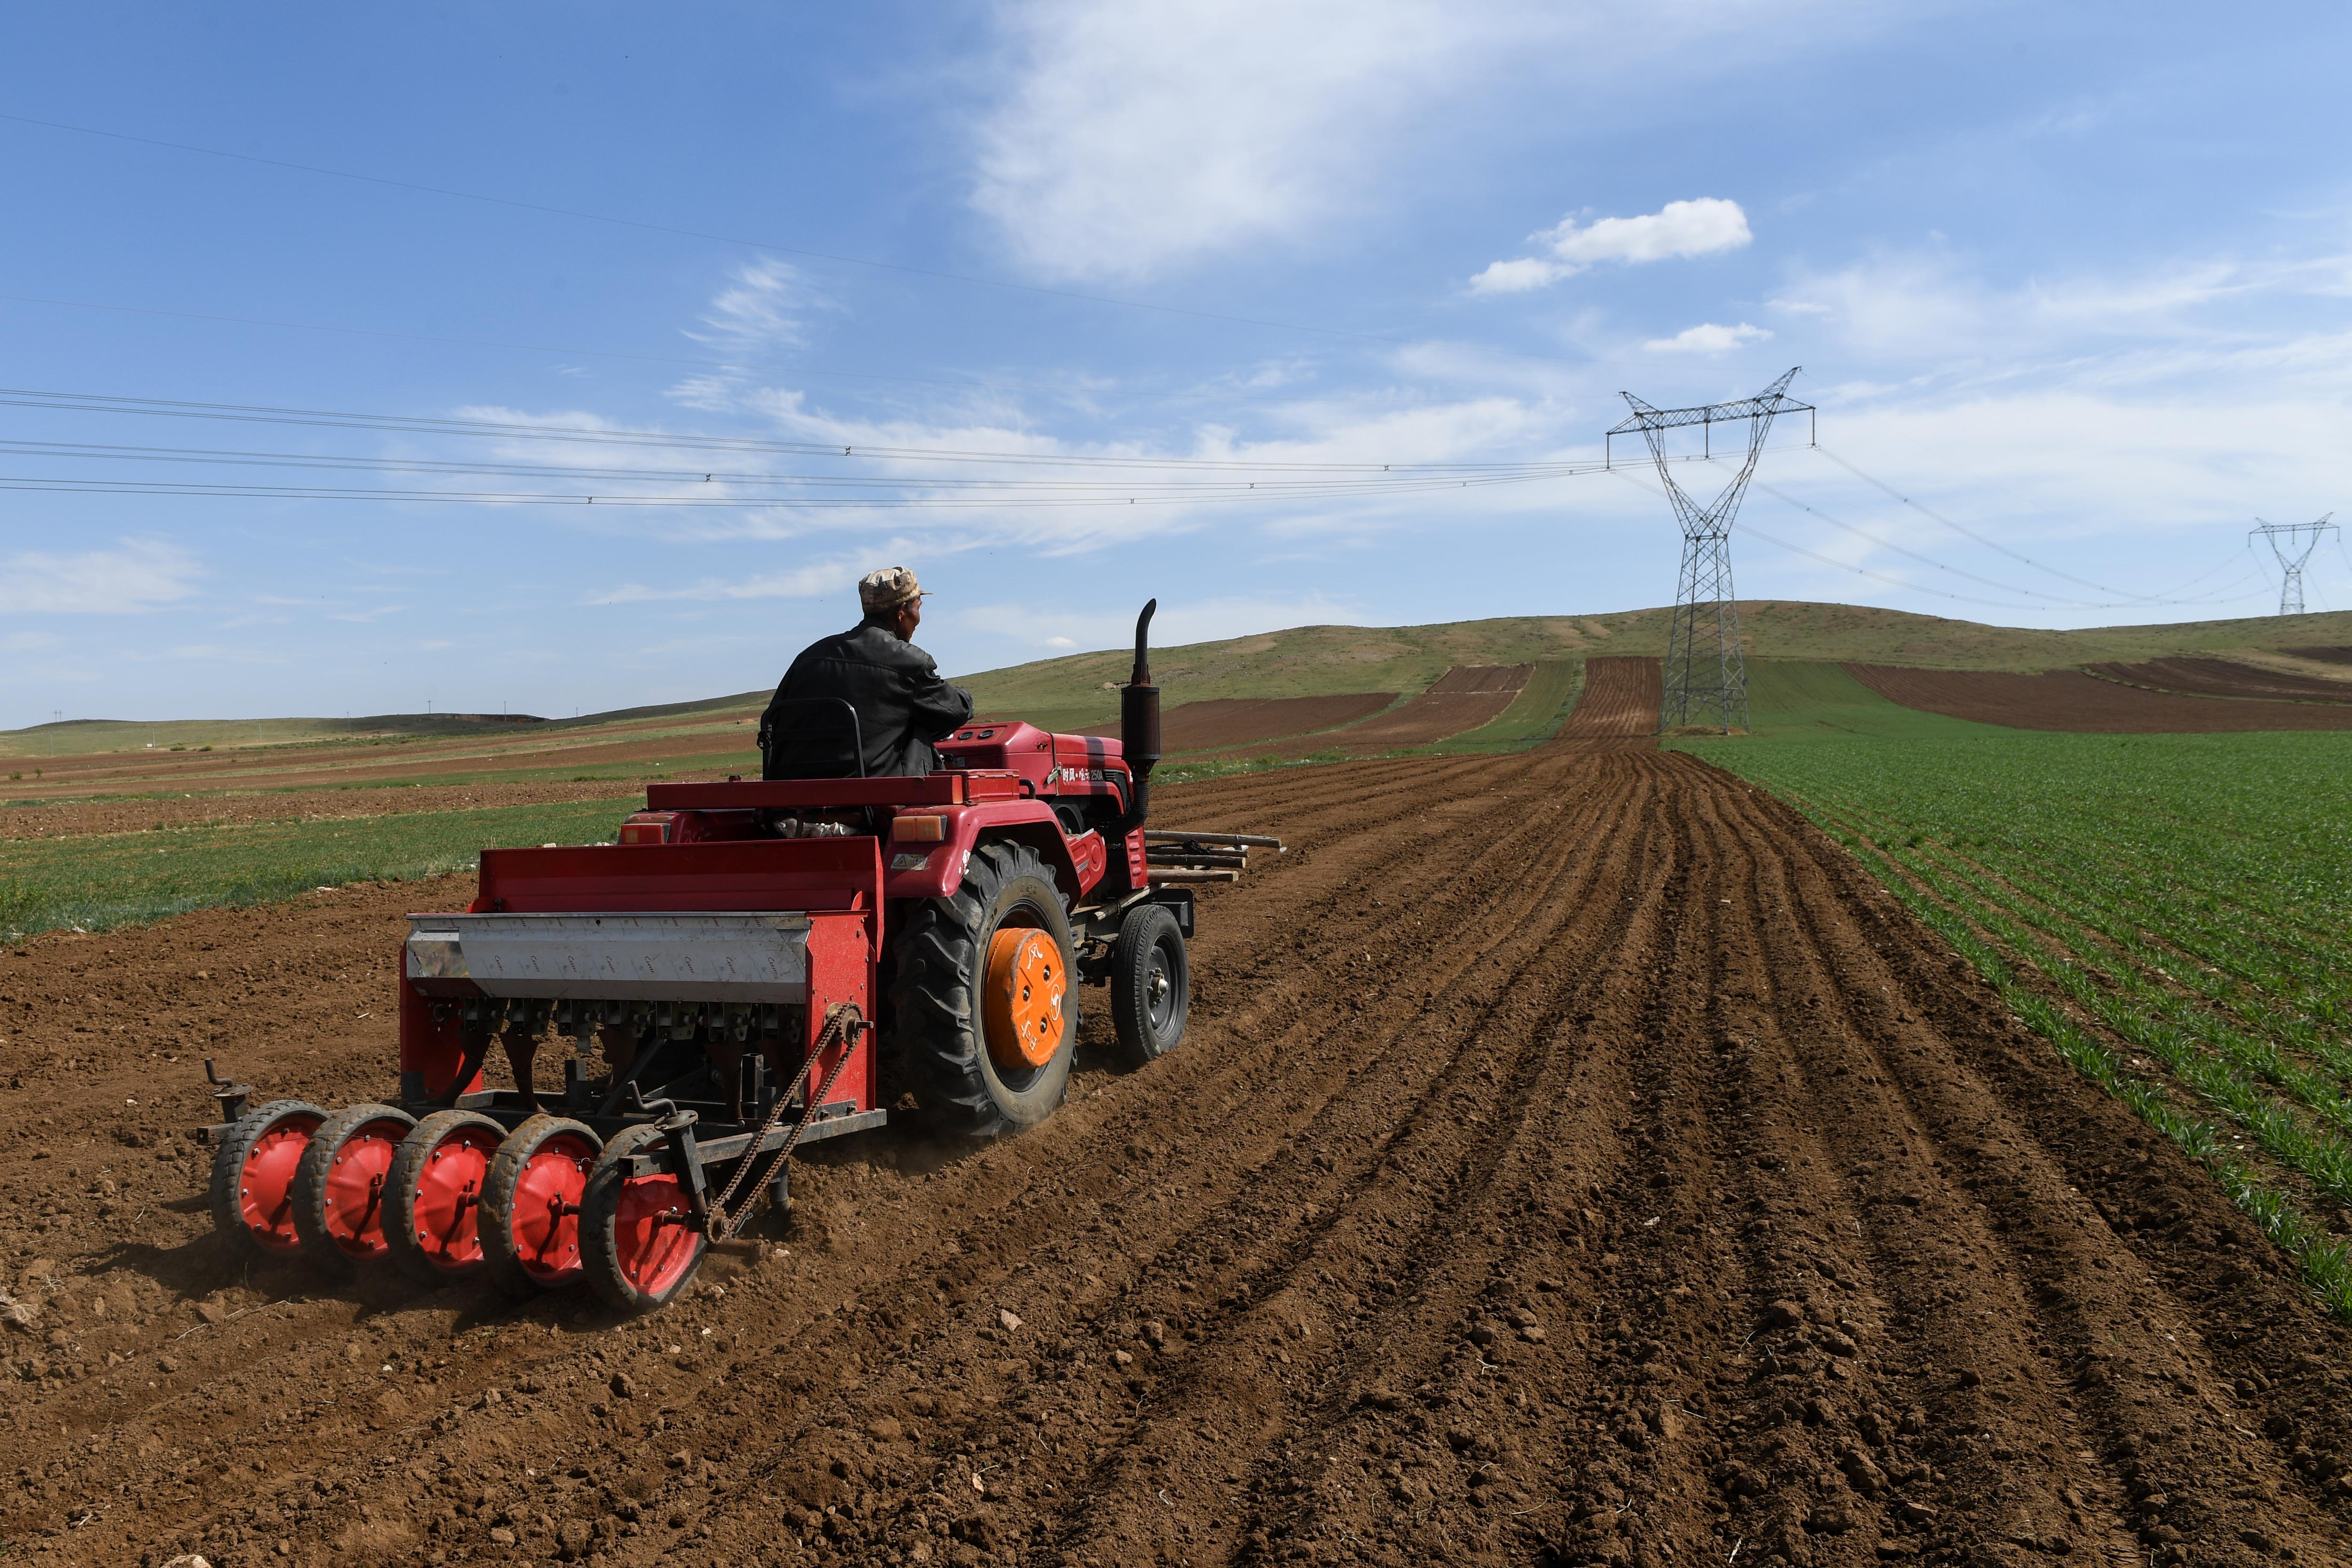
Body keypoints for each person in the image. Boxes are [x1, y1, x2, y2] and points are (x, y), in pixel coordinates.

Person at [760, 566, 973, 779]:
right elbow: (955, 712)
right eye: (918, 607)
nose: (918, 618)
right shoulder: (909, 661)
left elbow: (774, 721)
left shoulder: (809, 658)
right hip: (875, 796)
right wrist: (965, 697)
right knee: (918, 724)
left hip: (796, 791)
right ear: (901, 613)